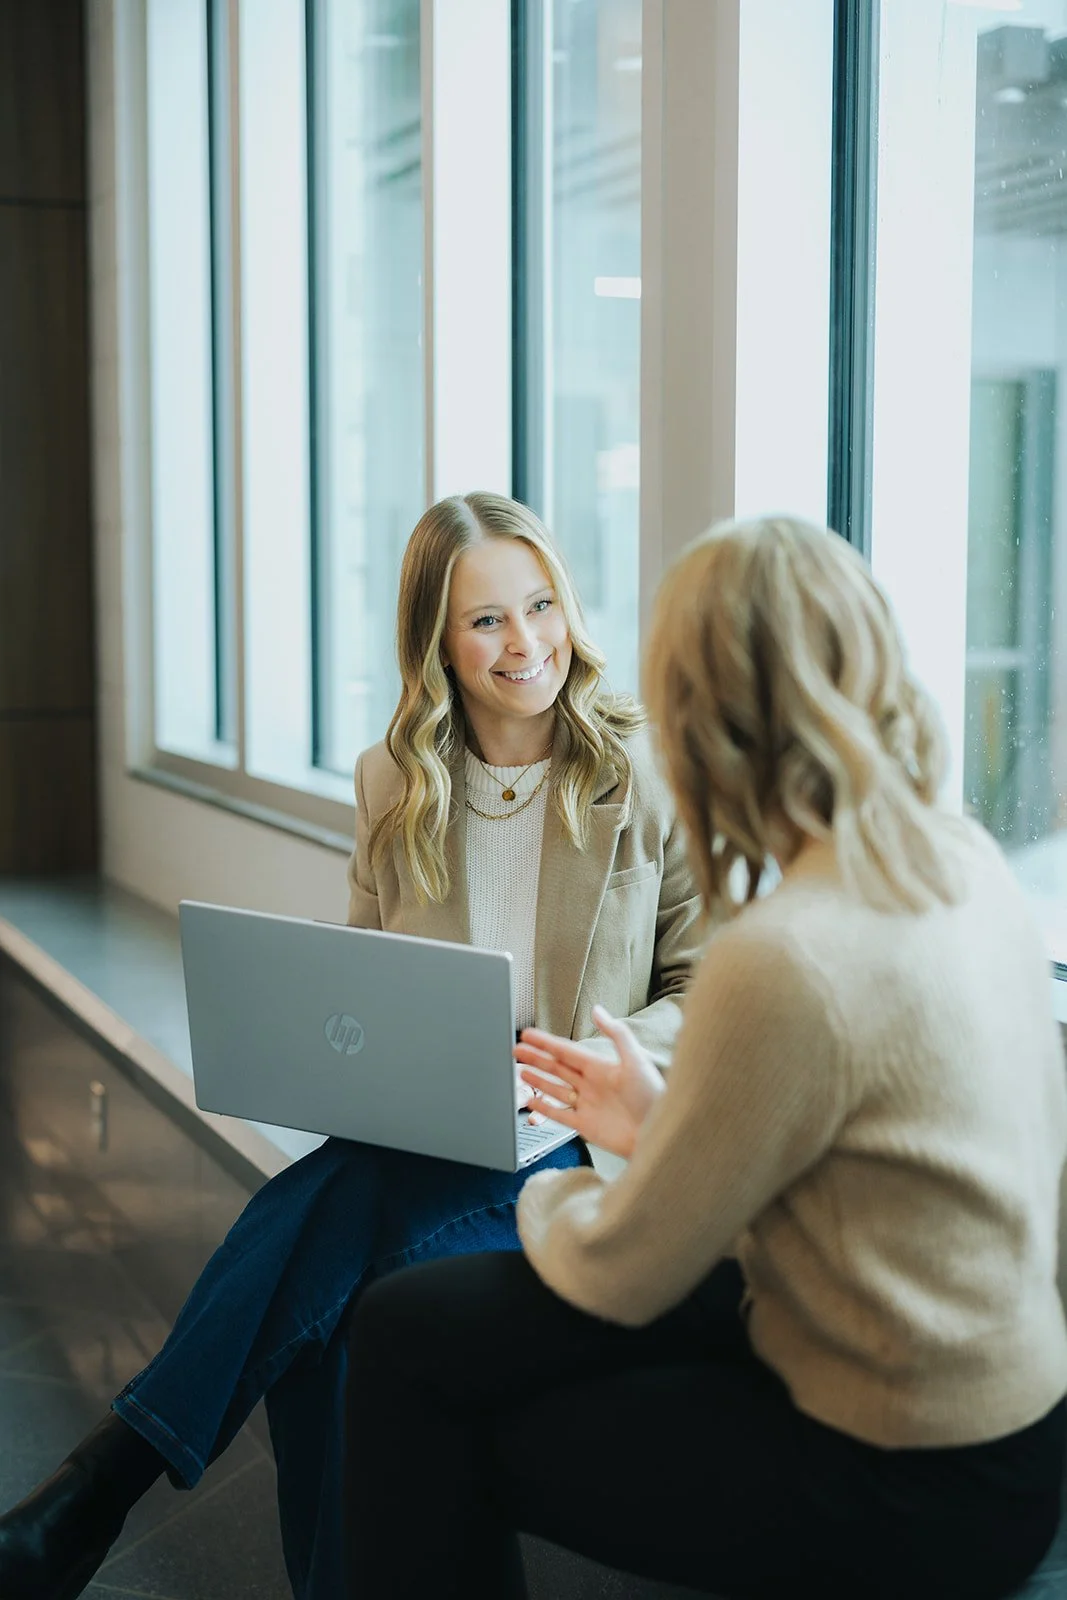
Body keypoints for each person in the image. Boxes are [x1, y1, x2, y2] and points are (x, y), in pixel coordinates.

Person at [342, 514, 1067, 1600]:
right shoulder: (959, 863)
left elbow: (624, 1268)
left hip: (899, 1472)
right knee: (411, 1325)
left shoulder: (783, 956)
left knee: (425, 1382)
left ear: (699, 719)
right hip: (1007, 1415)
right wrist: (651, 1122)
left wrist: (546, 1192)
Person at [0, 492, 703, 1600]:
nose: (524, 643)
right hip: (432, 1134)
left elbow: (700, 986)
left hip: (576, 1137)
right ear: (436, 642)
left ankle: (101, 1482)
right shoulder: (395, 782)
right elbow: (369, 981)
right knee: (347, 1275)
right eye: (484, 622)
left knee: (334, 1272)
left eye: (538, 606)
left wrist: (593, 1056)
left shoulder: (644, 772)